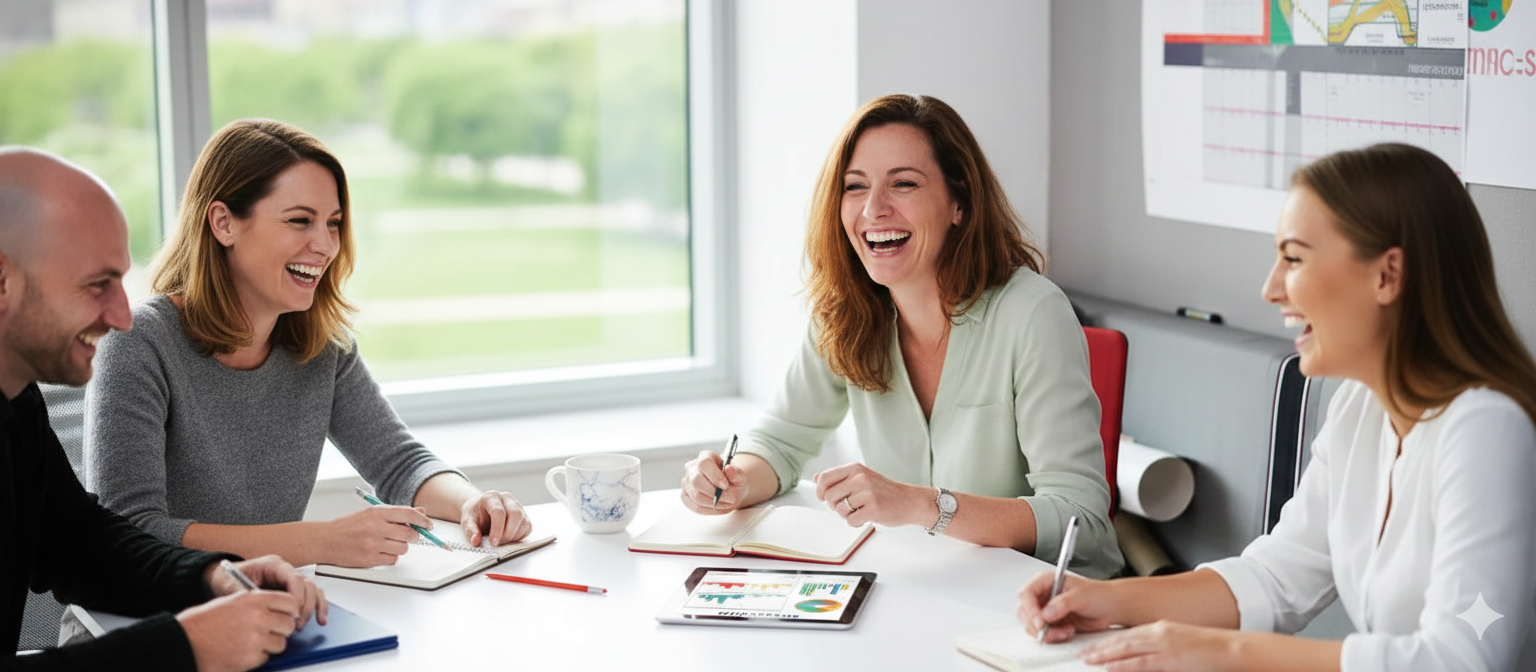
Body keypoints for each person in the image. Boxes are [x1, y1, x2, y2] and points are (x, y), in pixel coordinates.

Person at [1018, 143, 1536, 670]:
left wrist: (1222, 652)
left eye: (1293, 258)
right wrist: (1102, 601)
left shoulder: (1486, 431)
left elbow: (1465, 657)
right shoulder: (1360, 408)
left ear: (1387, 275)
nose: (1270, 288)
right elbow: (1275, 578)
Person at [680, 94, 1123, 577]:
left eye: (904, 184)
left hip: (1045, 606)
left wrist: (920, 504)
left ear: (959, 203)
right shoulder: (845, 312)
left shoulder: (1034, 313)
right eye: (855, 187)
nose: (874, 209)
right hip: (927, 590)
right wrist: (734, 480)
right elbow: (782, 442)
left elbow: (1080, 519)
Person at [84, 119, 531, 570]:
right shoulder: (139, 342)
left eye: (333, 223)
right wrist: (317, 543)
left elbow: (399, 463)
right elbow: (131, 531)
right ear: (223, 223)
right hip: (144, 621)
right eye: (300, 221)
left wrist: (471, 502)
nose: (325, 245)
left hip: (262, 609)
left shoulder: (321, 345)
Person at [0, 147, 327, 672]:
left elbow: (77, 541)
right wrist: (184, 647)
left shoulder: (15, 401)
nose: (122, 317)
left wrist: (212, 575)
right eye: (96, 285)